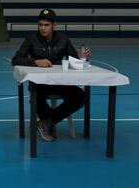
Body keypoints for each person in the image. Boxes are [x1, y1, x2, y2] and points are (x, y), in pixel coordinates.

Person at [11, 9, 91, 142]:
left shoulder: (64, 39)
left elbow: (74, 63)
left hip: (60, 82)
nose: (42, 28)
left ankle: (46, 122)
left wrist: (81, 58)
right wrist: (35, 61)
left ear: (54, 25)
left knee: (81, 96)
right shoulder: (31, 39)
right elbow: (16, 59)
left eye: (46, 25)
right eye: (40, 25)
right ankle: (48, 123)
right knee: (36, 96)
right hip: (40, 83)